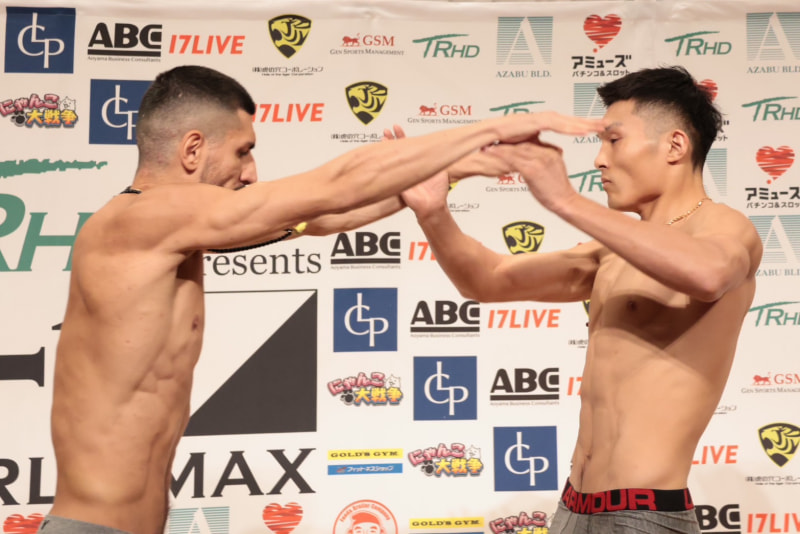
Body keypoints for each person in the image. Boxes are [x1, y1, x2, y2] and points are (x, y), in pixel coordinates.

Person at [39, 65, 602, 534]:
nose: (251, 173)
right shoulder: (139, 219)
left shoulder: (176, 231)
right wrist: (493, 130)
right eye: (243, 152)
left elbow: (325, 217)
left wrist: (448, 172)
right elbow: (334, 185)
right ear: (192, 149)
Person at [397, 66, 762, 533]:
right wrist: (433, 211)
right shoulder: (614, 250)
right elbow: (488, 280)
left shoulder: (725, 227)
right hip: (572, 510)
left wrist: (566, 201)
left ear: (675, 146)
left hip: (644, 516)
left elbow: (709, 275)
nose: (599, 160)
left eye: (614, 141)